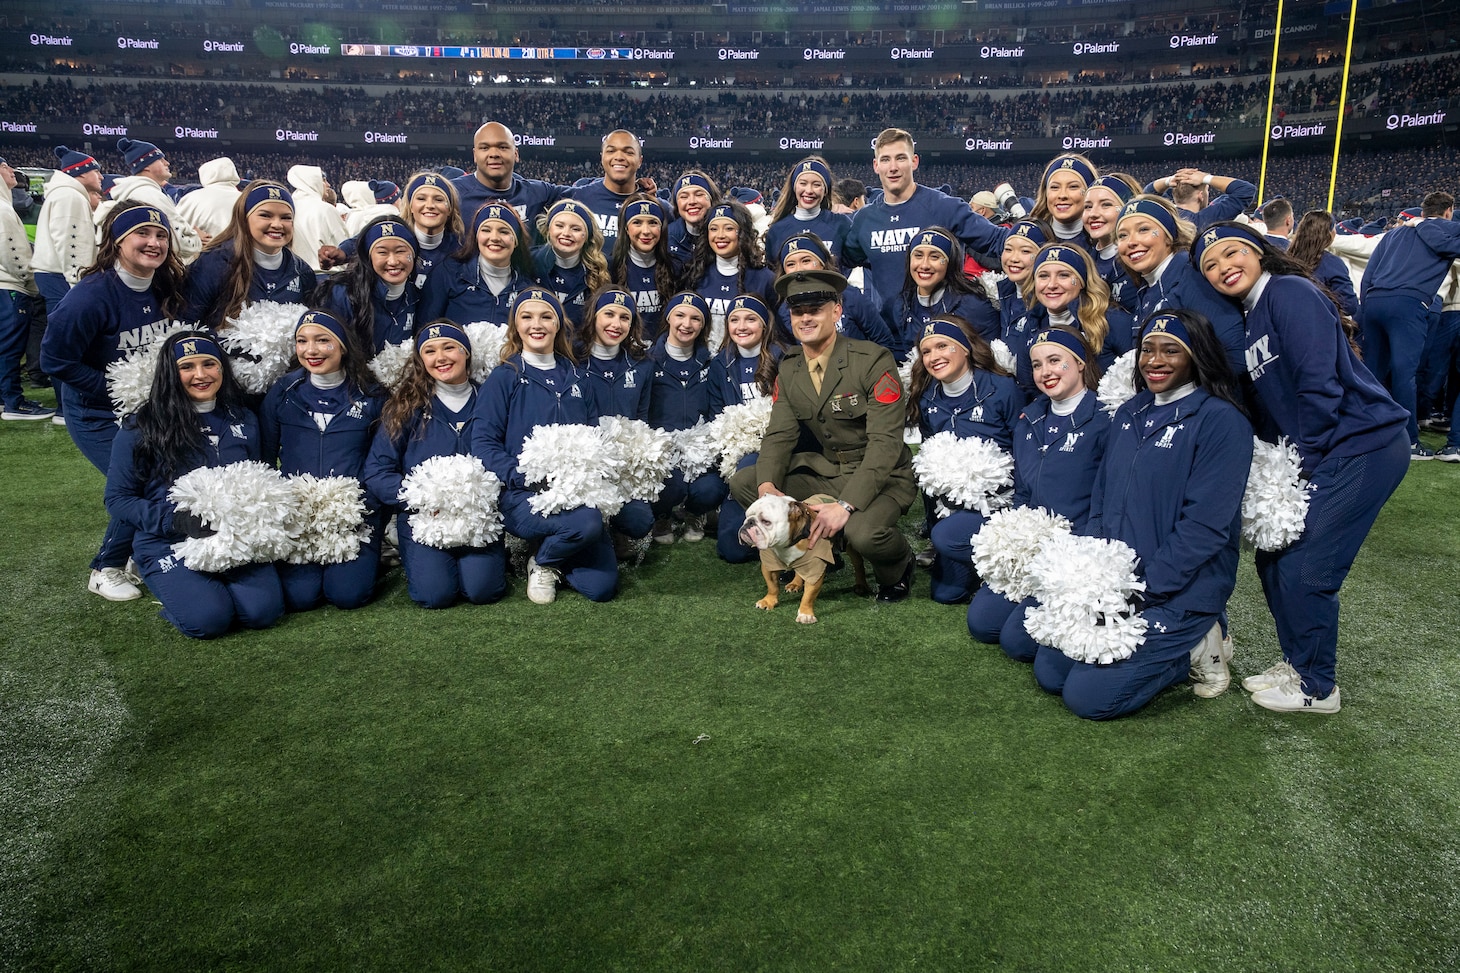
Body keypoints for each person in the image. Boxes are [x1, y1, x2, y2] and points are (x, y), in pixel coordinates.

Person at [1195, 222, 1411, 712]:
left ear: (1259, 252)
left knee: (1306, 567)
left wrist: (1305, 461)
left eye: (1232, 254)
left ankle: (1318, 687)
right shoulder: (1251, 317)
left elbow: (1319, 383)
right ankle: (1298, 661)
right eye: (1210, 266)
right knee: (1274, 558)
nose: (1223, 267)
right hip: (1329, 448)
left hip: (1362, 444)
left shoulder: (1288, 292)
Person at [1033, 310, 1253, 720]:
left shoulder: (1222, 421)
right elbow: (1101, 499)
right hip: (1118, 582)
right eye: (1147, 350)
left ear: (1197, 356)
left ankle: (1195, 646)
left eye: (1172, 351)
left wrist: (1144, 591)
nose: (1155, 360)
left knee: (1088, 697)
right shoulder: (1130, 412)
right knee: (1051, 672)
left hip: (1178, 591)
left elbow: (1204, 529)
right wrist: (1095, 576)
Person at [728, 269, 918, 602]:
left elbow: (885, 446)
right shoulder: (789, 367)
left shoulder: (872, 360)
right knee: (747, 481)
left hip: (883, 475)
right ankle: (812, 550)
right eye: (797, 311)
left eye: (815, 309)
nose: (805, 318)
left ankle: (900, 564)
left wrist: (845, 506)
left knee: (864, 534)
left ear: (837, 311)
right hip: (831, 471)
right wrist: (767, 488)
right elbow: (779, 434)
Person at [42, 202, 188, 602]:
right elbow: (54, 360)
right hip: (96, 413)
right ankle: (105, 566)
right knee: (136, 481)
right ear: (118, 241)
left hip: (147, 410)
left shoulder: (165, 284)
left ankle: (141, 553)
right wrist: (116, 390)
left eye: (161, 236)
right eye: (142, 234)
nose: (154, 243)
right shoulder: (89, 297)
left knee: (167, 475)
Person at [104, 331, 286, 638]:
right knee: (209, 621)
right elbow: (118, 498)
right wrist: (175, 521)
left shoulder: (243, 418)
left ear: (222, 369)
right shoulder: (141, 425)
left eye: (209, 364)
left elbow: (260, 476)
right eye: (187, 367)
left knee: (262, 614)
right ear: (170, 374)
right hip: (168, 540)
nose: (200, 375)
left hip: (234, 538)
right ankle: (157, 574)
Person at [968, 326, 1111, 659]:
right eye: (1036, 364)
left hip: (1076, 553)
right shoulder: (1029, 419)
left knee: (1017, 643)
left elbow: (1109, 500)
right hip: (1036, 548)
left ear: (1079, 363)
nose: (1045, 371)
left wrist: (1084, 554)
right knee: (982, 623)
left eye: (1054, 360)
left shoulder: (1106, 419)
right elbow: (1023, 495)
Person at [472, 288, 619, 604]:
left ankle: (551, 550)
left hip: (576, 496)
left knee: (602, 588)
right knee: (588, 523)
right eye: (526, 317)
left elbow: (594, 438)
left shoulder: (578, 377)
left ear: (558, 325)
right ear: (516, 326)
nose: (536, 325)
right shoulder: (504, 377)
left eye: (546, 316)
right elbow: (483, 444)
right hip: (524, 495)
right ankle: (544, 562)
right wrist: (523, 476)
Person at [364, 320, 507, 609]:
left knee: (483, 591)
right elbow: (377, 472)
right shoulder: (404, 406)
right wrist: (422, 496)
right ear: (421, 360)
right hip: (425, 518)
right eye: (429, 351)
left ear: (466, 352)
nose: (440, 357)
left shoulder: (491, 398)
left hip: (479, 519)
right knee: (435, 595)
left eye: (449, 347)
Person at [259, 309, 387, 611]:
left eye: (322, 340)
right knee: (300, 598)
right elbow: (263, 459)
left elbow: (382, 462)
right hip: (298, 516)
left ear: (343, 345)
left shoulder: (372, 395)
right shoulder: (283, 391)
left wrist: (359, 507)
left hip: (354, 514)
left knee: (348, 596)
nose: (311, 350)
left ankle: (374, 555)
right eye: (302, 341)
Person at [906, 316, 1021, 604]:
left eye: (942, 346)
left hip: (1003, 506)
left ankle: (1000, 563)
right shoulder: (927, 397)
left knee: (947, 537)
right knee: (946, 594)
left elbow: (1024, 452)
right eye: (927, 351)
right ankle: (970, 561)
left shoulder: (1002, 389)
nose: (934, 357)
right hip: (954, 512)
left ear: (966, 348)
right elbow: (931, 475)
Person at [842, 129, 1009, 309]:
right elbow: (841, 260)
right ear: (876, 165)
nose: (893, 167)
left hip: (940, 328)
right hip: (887, 332)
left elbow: (997, 240)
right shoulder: (865, 220)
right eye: (885, 159)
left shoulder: (945, 207)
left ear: (914, 161)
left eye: (900, 158)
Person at [1358, 191, 1460, 458]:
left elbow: (1369, 274)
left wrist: (1365, 308)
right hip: (1409, 303)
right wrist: (1427, 226)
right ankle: (1410, 441)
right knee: (1405, 374)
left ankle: (1363, 433)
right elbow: (1451, 247)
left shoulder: (1393, 233)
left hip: (1375, 300)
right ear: (1449, 210)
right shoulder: (1449, 228)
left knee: (1372, 373)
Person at [1115, 195, 1246, 376]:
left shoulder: (1192, 276)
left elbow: (1233, 354)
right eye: (1122, 235)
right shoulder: (1147, 287)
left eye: (1143, 229)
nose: (1131, 242)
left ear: (1169, 236)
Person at [577, 286, 657, 556]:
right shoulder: (572, 361)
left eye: (625, 317)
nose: (616, 324)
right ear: (593, 317)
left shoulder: (642, 364)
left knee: (640, 521)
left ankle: (616, 527)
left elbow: (642, 420)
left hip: (623, 467)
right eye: (608, 314)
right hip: (585, 465)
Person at [180, 181, 317, 331]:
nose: (277, 224)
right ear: (244, 219)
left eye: (286, 217)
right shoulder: (213, 264)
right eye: (265, 215)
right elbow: (185, 326)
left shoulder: (302, 272)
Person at [647, 291, 726, 543]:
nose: (686, 324)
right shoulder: (647, 361)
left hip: (699, 451)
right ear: (668, 318)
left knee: (713, 487)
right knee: (673, 485)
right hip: (662, 449)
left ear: (703, 325)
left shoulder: (711, 362)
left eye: (695, 318)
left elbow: (716, 410)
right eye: (680, 315)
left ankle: (694, 512)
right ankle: (662, 515)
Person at [710, 293, 783, 563]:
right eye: (734, 320)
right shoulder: (720, 364)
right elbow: (717, 416)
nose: (741, 326)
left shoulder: (782, 357)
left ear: (765, 325)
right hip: (739, 457)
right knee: (732, 550)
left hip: (776, 451)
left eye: (751, 319)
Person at [1020, 243, 1134, 385]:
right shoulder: (1031, 326)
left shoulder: (1111, 321)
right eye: (1043, 276)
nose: (1052, 285)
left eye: (1063, 275)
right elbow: (1029, 389)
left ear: (1082, 281)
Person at [418, 203, 535, 328]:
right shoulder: (449, 273)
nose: (494, 238)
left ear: (516, 240)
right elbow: (425, 328)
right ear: (476, 237)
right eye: (486, 230)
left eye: (504, 231)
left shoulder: (528, 289)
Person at [890, 227, 1000, 357]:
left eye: (935, 257)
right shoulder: (902, 305)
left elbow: (992, 360)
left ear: (950, 263)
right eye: (918, 255)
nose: (924, 265)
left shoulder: (973, 305)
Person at [775, 232, 895, 350]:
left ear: (822, 264)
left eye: (806, 261)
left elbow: (884, 342)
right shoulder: (784, 311)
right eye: (791, 264)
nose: (799, 269)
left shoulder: (851, 296)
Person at [683, 201, 776, 351]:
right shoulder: (696, 275)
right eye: (714, 229)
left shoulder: (765, 279)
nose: (720, 235)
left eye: (729, 228)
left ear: (743, 233)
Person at [318, 216, 419, 353]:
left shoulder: (416, 296)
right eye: (382, 253)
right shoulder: (343, 294)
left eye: (400, 251)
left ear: (413, 254)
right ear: (368, 257)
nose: (393, 261)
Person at [450, 121, 568, 235]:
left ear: (516, 154)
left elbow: (582, 195)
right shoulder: (452, 194)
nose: (494, 154)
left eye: (502, 147)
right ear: (475, 155)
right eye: (485, 148)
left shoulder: (538, 194)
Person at [99, 139, 205, 264]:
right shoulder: (149, 195)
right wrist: (198, 239)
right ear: (147, 166)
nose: (167, 163)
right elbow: (177, 242)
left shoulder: (138, 191)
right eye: (160, 160)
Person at [1, 156, 48, 420]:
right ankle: (13, 403)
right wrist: (30, 281)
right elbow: (13, 253)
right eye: (5, 167)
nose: (11, 171)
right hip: (10, 286)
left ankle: (4, 398)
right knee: (9, 347)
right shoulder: (3, 209)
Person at [32, 146, 103, 316]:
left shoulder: (65, 193)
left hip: (55, 274)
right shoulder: (70, 195)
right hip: (62, 276)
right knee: (67, 332)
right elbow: (70, 243)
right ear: (82, 173)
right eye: (96, 171)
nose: (101, 176)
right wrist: (78, 284)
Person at [532, 199, 610, 329]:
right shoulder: (528, 263)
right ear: (548, 229)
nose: (566, 233)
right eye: (559, 226)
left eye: (576, 229)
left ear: (587, 236)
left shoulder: (599, 272)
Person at [763, 157, 852, 268]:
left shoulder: (841, 224)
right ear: (794, 187)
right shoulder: (777, 230)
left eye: (817, 185)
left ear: (825, 190)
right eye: (803, 183)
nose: (809, 191)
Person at [608, 195, 677, 338]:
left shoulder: (675, 267)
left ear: (661, 228)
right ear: (626, 228)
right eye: (637, 223)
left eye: (653, 223)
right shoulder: (610, 268)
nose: (646, 231)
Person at [572, 129, 647, 256]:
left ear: (639, 161)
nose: (619, 157)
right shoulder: (578, 197)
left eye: (628, 152)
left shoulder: (655, 206)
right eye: (611, 151)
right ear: (602, 157)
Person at [1081, 173, 1141, 313]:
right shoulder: (1086, 260)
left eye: (1106, 204)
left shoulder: (1141, 257)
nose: (1093, 214)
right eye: (1088, 206)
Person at [1285, 210, 1360, 319]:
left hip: (1285, 321)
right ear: (1328, 233)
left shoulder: (1285, 258)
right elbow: (1349, 305)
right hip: (1318, 325)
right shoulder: (1331, 263)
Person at [1143, 167, 1257, 231]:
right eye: (1207, 190)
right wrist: (1206, 178)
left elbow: (1146, 194)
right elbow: (1246, 190)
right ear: (1200, 195)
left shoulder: (1164, 212)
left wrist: (1169, 180)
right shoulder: (1205, 219)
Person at [285, 164, 348, 273]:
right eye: (323, 180)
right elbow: (342, 246)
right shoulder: (326, 209)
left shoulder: (288, 208)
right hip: (327, 277)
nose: (328, 184)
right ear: (313, 182)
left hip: (295, 277)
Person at [1030, 154, 1097, 247]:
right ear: (1045, 193)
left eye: (1073, 187)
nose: (1062, 195)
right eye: (1055, 187)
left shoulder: (1104, 244)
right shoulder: (1030, 239)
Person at [175, 156, 242, 242]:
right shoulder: (246, 198)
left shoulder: (192, 197)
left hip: (202, 252)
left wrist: (193, 236)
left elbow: (173, 228)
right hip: (242, 252)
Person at [666, 170, 723, 263]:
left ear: (712, 199)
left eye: (699, 194)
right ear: (677, 204)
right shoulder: (666, 237)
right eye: (684, 197)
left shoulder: (727, 235)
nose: (692, 201)